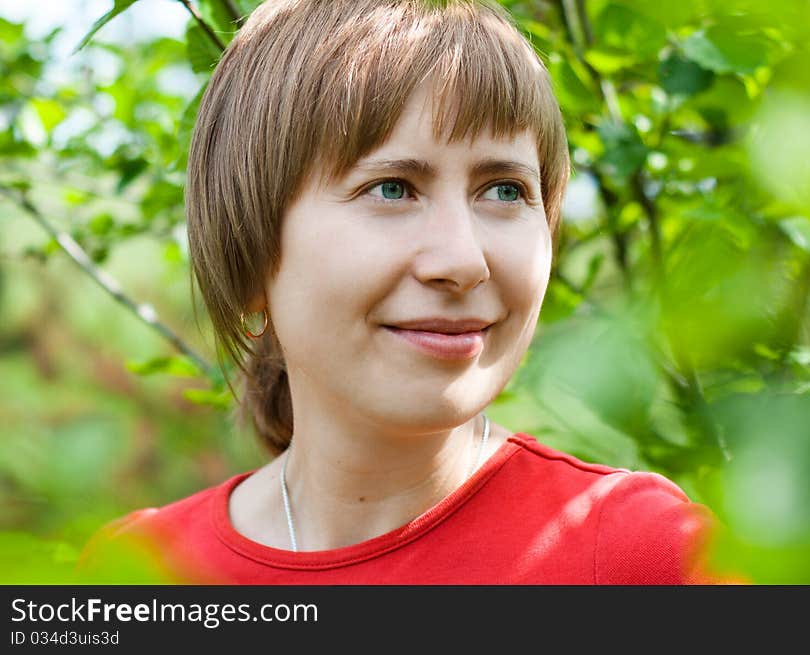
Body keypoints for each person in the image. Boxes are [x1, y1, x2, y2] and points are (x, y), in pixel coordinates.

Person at [76, 0, 728, 584]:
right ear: (251, 257)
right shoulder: (137, 572)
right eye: (393, 187)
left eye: (505, 189)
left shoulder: (644, 556)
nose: (464, 261)